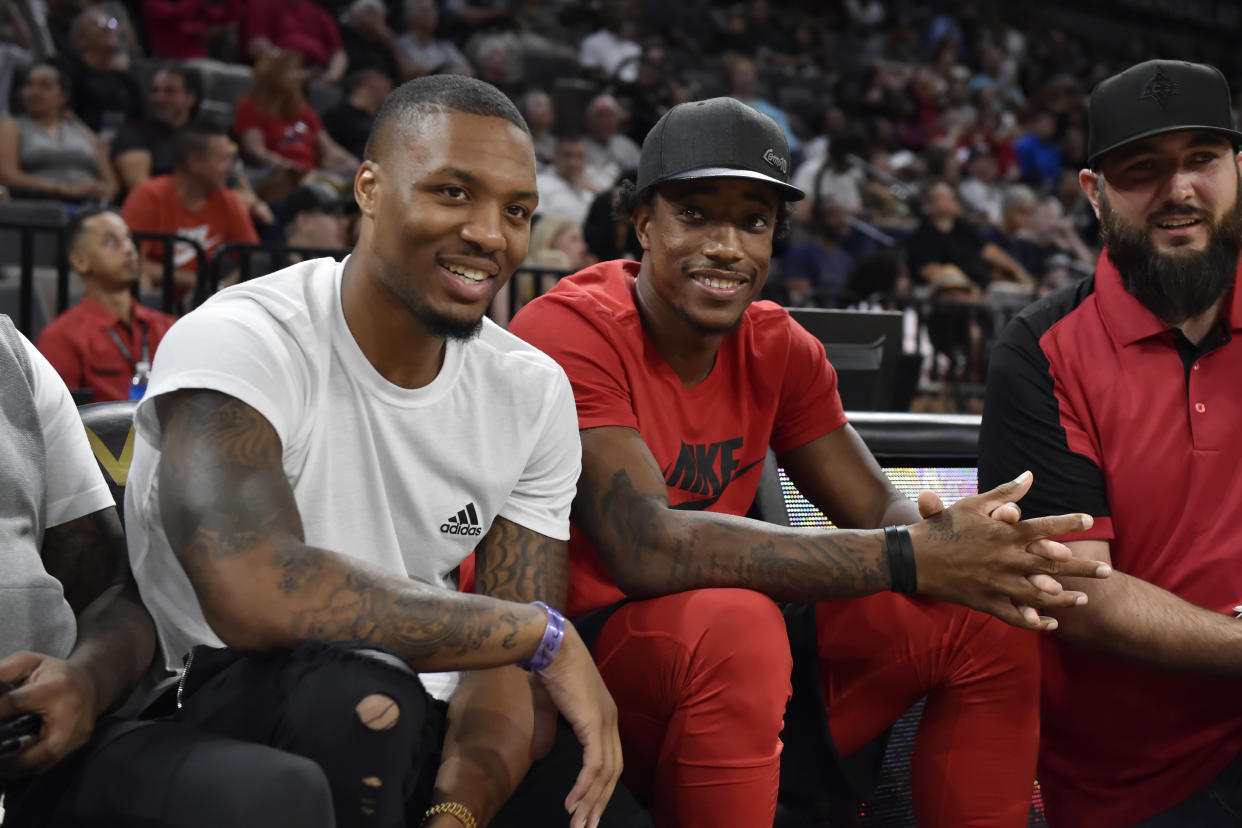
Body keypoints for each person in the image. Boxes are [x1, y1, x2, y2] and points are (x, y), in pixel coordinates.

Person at [466, 96, 1110, 828]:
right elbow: (644, 547)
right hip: (576, 673)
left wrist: (961, 541)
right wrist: (907, 556)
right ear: (642, 223)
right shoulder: (571, 327)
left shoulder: (780, 346)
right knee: (737, 622)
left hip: (736, 669)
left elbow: (879, 512)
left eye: (753, 221)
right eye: (696, 214)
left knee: (985, 614)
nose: (727, 245)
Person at [123, 74, 628, 828]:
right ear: (367, 187)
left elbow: (507, 679)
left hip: (412, 709)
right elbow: (252, 591)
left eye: (516, 210)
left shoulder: (532, 390)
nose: (491, 235)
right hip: (208, 707)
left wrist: (457, 811)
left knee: (591, 801)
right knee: (361, 699)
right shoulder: (242, 337)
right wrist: (535, 634)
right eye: (453, 193)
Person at [978, 58, 1242, 828]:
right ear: (1095, 195)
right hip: (1139, 780)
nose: (1180, 190)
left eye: (1202, 159)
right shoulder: (1038, 352)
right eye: (1143, 169)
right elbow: (1080, 593)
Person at [0, 313, 337, 828]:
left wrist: (82, 685)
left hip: (38, 734)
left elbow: (102, 580)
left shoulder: (14, 354)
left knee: (276, 788)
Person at [35, 208, 178, 402]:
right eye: (111, 241)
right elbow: (59, 423)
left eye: (128, 238)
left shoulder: (169, 327)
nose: (129, 249)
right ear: (80, 261)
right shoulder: (61, 338)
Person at [120, 124, 260, 299]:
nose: (230, 168)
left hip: (205, 304)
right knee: (139, 281)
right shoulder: (148, 195)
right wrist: (193, 281)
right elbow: (128, 262)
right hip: (159, 300)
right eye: (223, 160)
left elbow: (253, 260)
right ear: (195, 163)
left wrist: (221, 292)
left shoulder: (228, 200)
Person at [0, 59, 116, 203]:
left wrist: (103, 190)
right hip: (38, 207)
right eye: (29, 85)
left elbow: (111, 183)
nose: (35, 91)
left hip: (89, 204)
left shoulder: (81, 129)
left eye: (45, 86)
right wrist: (61, 188)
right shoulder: (12, 126)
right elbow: (6, 175)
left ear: (63, 96)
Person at [111, 64, 202, 193]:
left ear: (191, 98)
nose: (159, 98)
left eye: (169, 91)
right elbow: (140, 187)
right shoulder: (134, 131)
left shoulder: (203, 135)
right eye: (155, 91)